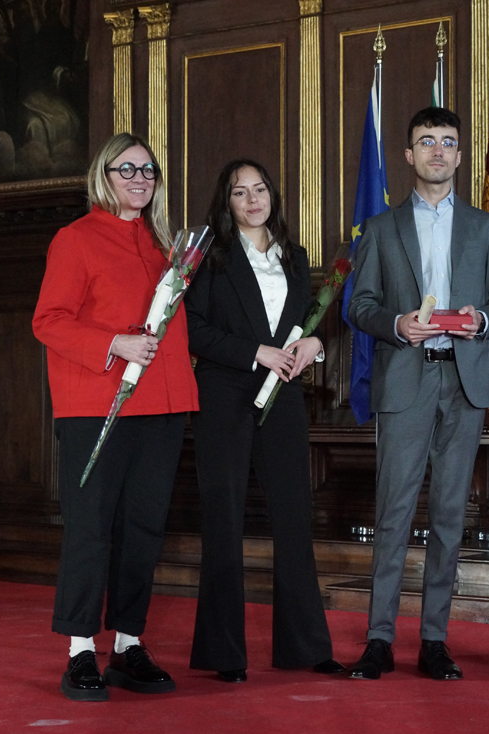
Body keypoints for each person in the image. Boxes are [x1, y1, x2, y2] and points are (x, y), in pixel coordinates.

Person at [346, 107, 489, 681]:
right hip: (405, 379)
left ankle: (434, 640)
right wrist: (397, 324)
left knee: (449, 515)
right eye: (427, 142)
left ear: (461, 155)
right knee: (393, 514)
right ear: (408, 155)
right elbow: (359, 305)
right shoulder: (379, 228)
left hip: (464, 380)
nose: (438, 152)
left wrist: (482, 321)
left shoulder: (485, 227)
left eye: (448, 142)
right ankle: (377, 640)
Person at [33, 132, 198, 702]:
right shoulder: (74, 239)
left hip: (165, 404)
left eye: (148, 171)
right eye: (126, 169)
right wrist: (115, 344)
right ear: (103, 176)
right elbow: (48, 321)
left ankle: (128, 645)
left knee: (144, 529)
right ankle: (81, 650)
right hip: (97, 403)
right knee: (91, 529)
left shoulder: (164, 245)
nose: (138, 179)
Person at [185, 159, 343, 682]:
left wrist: (316, 344)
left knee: (295, 517)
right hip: (225, 396)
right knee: (224, 520)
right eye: (239, 192)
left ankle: (305, 646)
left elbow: (312, 325)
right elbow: (194, 332)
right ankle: (223, 653)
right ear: (225, 202)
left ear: (273, 195)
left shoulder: (295, 258)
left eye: (260, 190)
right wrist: (257, 352)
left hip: (286, 400)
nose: (253, 200)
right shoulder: (211, 257)